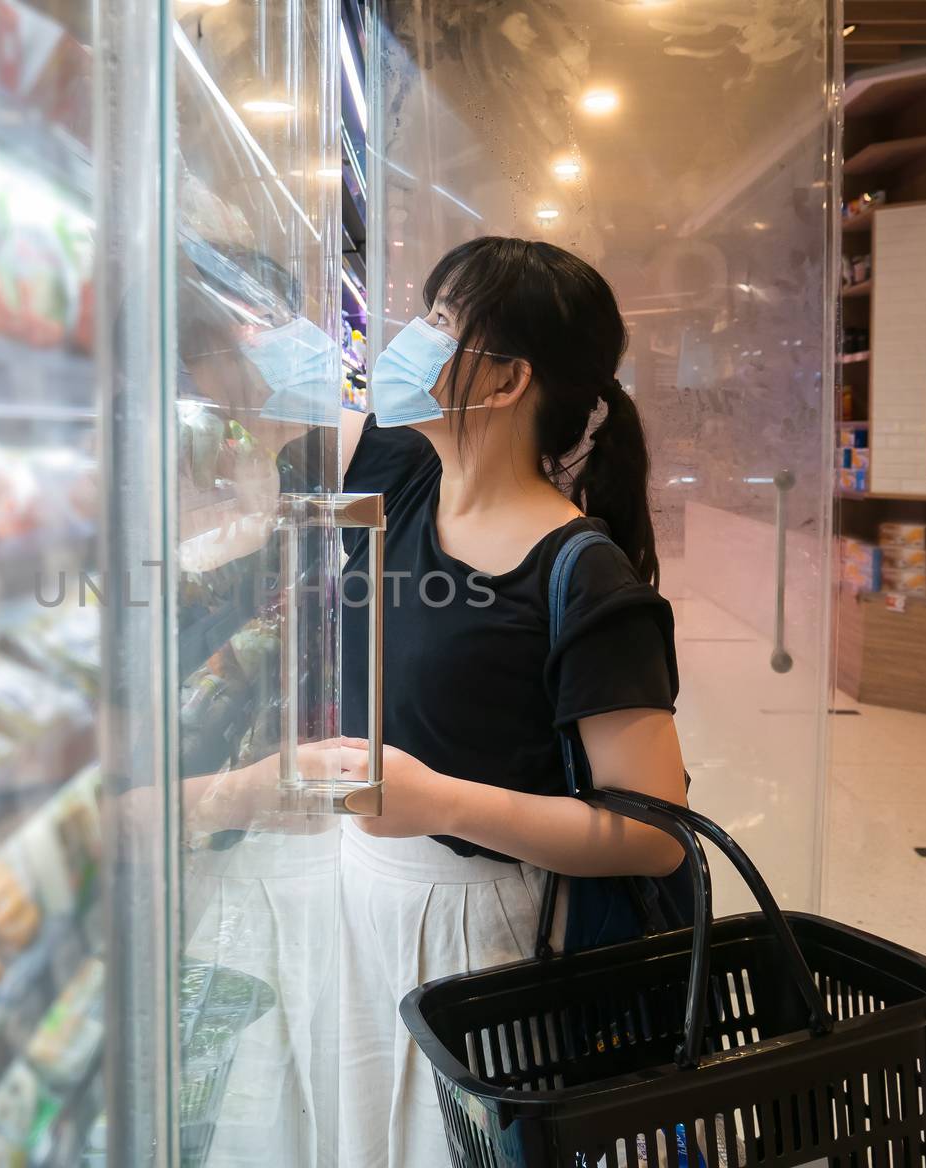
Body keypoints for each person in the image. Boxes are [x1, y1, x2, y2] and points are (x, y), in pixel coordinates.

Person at [332, 236, 688, 1167]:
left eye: (443, 323)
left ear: (504, 384)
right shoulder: (407, 481)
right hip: (364, 900)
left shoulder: (585, 576)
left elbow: (654, 830)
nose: (411, 338)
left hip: (485, 938)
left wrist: (442, 804)